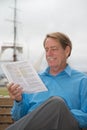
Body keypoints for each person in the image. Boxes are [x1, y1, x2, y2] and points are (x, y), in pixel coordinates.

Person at [6, 32, 87, 130]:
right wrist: (18, 100)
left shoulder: (82, 81)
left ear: (67, 51)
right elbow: (18, 118)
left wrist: (60, 113)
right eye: (46, 50)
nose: (49, 54)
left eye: (54, 49)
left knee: (57, 104)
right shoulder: (33, 79)